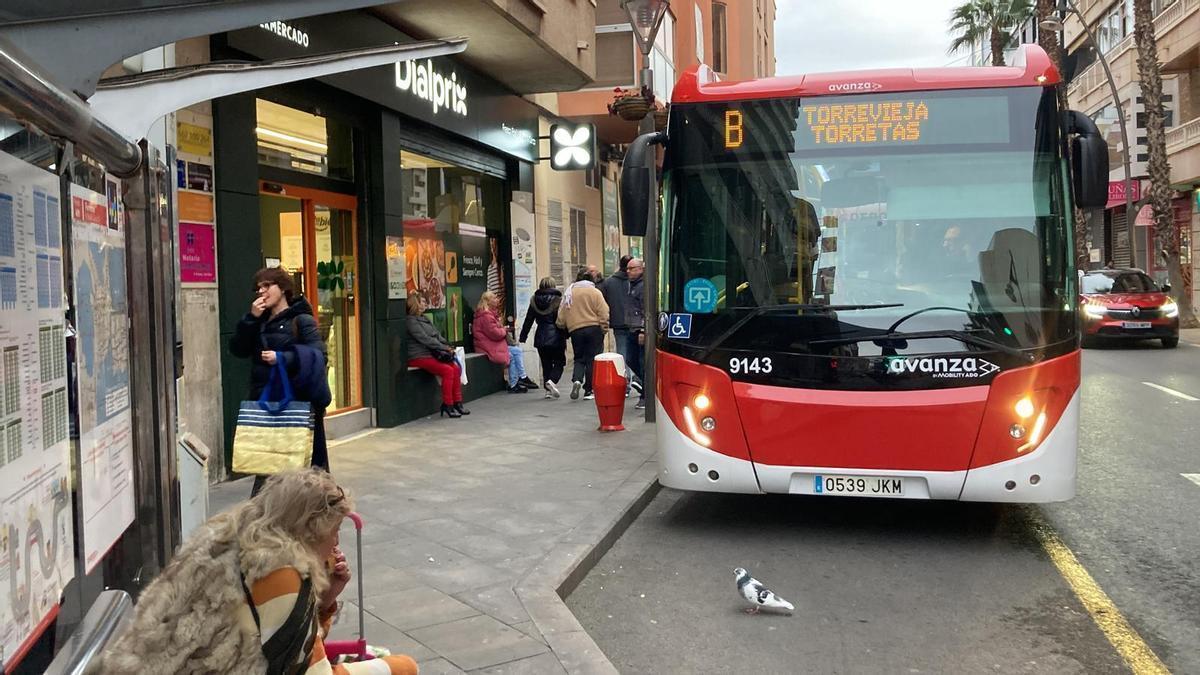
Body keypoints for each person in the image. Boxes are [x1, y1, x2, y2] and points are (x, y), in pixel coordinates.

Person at [91, 469, 419, 675]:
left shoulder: (228, 538)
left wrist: (326, 597)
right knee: (402, 666)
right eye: (334, 530)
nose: (336, 541)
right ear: (311, 529)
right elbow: (308, 669)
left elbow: (278, 640)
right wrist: (398, 668)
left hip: (144, 663)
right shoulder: (284, 572)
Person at [230, 267, 331, 496]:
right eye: (259, 288)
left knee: (296, 471)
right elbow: (238, 349)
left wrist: (283, 358)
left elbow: (318, 355)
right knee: (266, 468)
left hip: (294, 405)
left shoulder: (302, 319)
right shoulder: (258, 321)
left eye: (267, 286)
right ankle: (263, 521)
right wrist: (250, 319)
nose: (262, 292)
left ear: (283, 288)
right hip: (265, 404)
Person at [407, 293, 469, 418]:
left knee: (456, 368)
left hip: (432, 354)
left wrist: (448, 345)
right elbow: (424, 338)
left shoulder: (424, 318)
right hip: (419, 356)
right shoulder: (410, 321)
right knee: (447, 371)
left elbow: (436, 335)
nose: (425, 304)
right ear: (415, 304)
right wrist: (443, 347)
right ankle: (448, 404)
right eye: (422, 302)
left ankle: (458, 402)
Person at [557, 267, 610, 401]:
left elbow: (561, 316)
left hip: (576, 330)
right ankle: (588, 390)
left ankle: (577, 379)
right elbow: (604, 311)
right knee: (592, 359)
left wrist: (564, 325)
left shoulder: (570, 293)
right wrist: (604, 327)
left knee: (579, 358)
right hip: (594, 329)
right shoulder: (595, 292)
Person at [473, 290, 536, 393]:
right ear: (488, 301)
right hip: (488, 346)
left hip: (492, 345)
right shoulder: (486, 316)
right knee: (511, 355)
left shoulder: (489, 314)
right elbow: (495, 334)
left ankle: (520, 378)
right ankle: (516, 382)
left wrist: (502, 329)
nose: (497, 300)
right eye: (494, 298)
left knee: (517, 351)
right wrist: (504, 330)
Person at [519, 277, 567, 399]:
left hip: (540, 335)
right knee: (559, 362)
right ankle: (552, 381)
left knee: (546, 364)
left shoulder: (534, 301)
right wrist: (567, 334)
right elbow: (562, 320)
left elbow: (528, 320)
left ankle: (548, 391)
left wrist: (523, 336)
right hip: (556, 335)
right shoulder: (558, 300)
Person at [598, 257, 634, 389]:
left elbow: (604, 302)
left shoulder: (609, 282)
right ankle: (635, 380)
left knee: (622, 351)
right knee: (636, 353)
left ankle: (625, 382)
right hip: (635, 323)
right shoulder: (636, 281)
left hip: (618, 321)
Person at [625, 258, 647, 409]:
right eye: (628, 268)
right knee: (631, 359)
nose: (628, 271)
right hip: (631, 327)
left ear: (640, 269)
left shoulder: (643, 286)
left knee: (641, 361)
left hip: (639, 329)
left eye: (631, 268)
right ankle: (645, 383)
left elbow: (646, 309)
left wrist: (643, 330)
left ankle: (645, 393)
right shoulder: (631, 285)